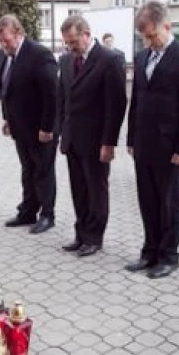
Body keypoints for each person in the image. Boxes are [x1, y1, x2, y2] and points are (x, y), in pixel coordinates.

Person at [125, 1, 179, 278]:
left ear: (167, 26)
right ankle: (149, 251)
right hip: (144, 144)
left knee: (170, 203)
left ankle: (169, 256)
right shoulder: (142, 57)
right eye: (144, 38)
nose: (149, 42)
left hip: (172, 148)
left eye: (152, 36)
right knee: (147, 200)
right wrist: (131, 138)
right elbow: (136, 101)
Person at [57, 15, 128, 256]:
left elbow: (116, 105)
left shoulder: (109, 59)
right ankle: (81, 234)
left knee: (96, 190)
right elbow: (62, 98)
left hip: (96, 140)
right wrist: (60, 131)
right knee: (79, 190)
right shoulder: (66, 60)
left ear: (87, 34)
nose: (70, 47)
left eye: (74, 42)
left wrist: (109, 142)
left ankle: (94, 238)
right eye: (67, 43)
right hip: (72, 139)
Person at [0, 14, 59, 234]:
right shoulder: (3, 56)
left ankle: (47, 215)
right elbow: (5, 90)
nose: (3, 45)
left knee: (43, 171)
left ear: (19, 33)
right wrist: (7, 118)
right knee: (28, 170)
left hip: (41, 127)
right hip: (19, 126)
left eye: (6, 40)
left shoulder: (39, 54)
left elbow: (52, 94)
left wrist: (47, 127)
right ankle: (28, 211)